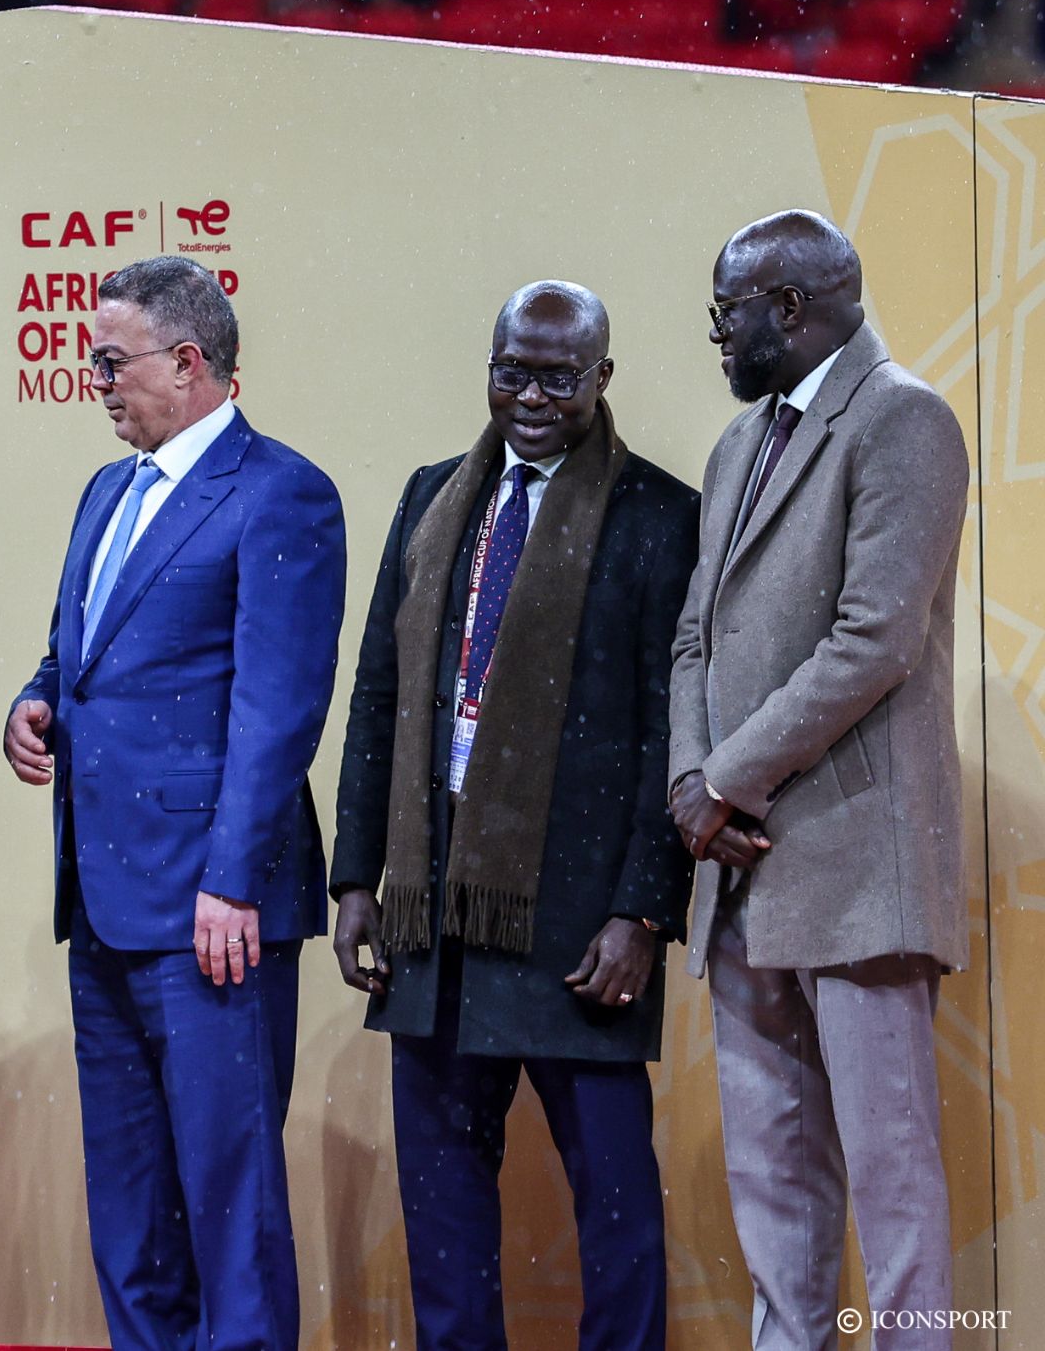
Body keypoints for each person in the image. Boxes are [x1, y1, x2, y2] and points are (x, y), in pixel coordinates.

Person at [329, 282, 698, 1351]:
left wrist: (642, 913)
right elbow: (379, 694)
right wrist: (356, 879)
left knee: (616, 1207)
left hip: (579, 928)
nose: (531, 397)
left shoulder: (656, 515)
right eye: (511, 372)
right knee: (442, 1213)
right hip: (434, 921)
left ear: (602, 378)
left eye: (557, 377)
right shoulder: (431, 497)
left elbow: (671, 730)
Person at [3, 255, 345, 1350]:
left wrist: (231, 881)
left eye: (111, 361)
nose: (94, 380)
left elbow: (278, 710)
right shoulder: (108, 491)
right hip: (105, 907)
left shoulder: (281, 492)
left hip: (211, 914)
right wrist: (35, 700)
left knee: (229, 1208)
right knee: (131, 1213)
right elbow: (80, 654)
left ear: (188, 362)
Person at [670, 210, 968, 1351]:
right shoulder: (736, 445)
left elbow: (874, 640)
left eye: (725, 312)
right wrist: (691, 786)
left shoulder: (903, 419)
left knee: (892, 1191)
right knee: (772, 1190)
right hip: (741, 871)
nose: (717, 336)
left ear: (787, 308)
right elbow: (694, 641)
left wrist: (725, 780)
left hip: (856, 872)